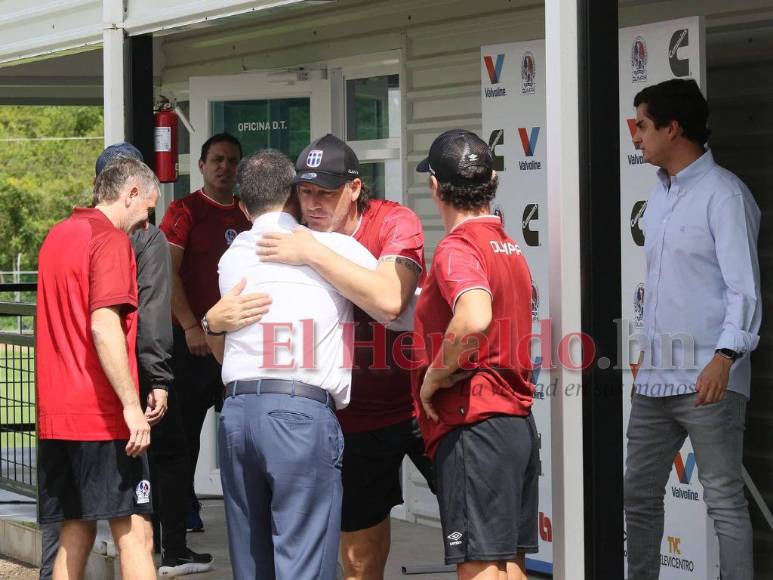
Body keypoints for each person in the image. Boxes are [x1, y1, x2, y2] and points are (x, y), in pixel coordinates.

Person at [254, 134, 433, 579]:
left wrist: (312, 252)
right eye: (306, 191)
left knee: (480, 544)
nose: (313, 204)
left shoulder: (394, 221)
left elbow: (391, 299)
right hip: (353, 418)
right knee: (358, 561)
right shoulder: (290, 230)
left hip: (423, 405)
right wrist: (212, 321)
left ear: (354, 188)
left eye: (327, 193)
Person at [203, 149, 378, 579]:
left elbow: (223, 344)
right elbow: (397, 303)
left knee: (251, 561)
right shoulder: (335, 247)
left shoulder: (232, 257)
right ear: (295, 198)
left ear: (242, 207)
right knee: (303, 560)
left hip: (238, 411)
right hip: (299, 413)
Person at [624, 78, 761, 580]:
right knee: (637, 495)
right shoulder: (658, 195)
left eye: (641, 125)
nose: (635, 136)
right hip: (656, 378)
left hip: (709, 379)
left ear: (672, 127)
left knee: (724, 501)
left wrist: (725, 357)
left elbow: (742, 289)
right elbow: (666, 287)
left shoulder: (725, 195)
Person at [411, 130, 539, 580]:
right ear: (493, 181)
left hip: (475, 423)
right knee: (508, 563)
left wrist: (434, 377)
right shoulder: (508, 246)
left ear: (434, 186)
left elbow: (474, 316)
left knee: (481, 566)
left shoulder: (458, 247)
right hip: (514, 423)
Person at [36, 157, 160, 580]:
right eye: (147, 209)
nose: (146, 223)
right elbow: (104, 325)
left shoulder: (58, 234)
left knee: (74, 529)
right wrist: (130, 407)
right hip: (101, 417)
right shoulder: (109, 240)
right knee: (136, 534)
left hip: (58, 416)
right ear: (130, 194)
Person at [158, 133, 250, 533]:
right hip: (193, 342)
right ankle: (181, 510)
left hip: (241, 345)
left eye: (232, 161)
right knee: (186, 437)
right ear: (201, 165)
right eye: (217, 159)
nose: (224, 167)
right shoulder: (184, 211)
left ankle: (247, 513)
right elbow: (166, 272)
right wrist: (192, 326)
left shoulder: (249, 214)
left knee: (245, 433)